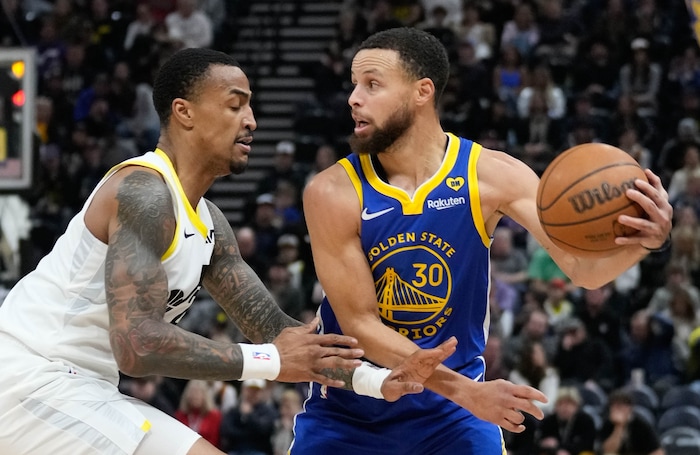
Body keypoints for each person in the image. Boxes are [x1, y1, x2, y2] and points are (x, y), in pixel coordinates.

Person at [0, 47, 458, 455]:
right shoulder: (142, 192)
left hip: (83, 386)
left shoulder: (210, 224)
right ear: (184, 112)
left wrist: (375, 381)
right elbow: (136, 346)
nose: (252, 120)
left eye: (251, 105)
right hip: (29, 375)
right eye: (235, 105)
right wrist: (274, 363)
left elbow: (281, 335)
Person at [297, 27, 672, 454]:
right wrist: (466, 391)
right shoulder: (332, 191)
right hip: (350, 413)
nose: (353, 98)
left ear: (423, 92)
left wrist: (643, 241)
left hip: (450, 417)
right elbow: (361, 325)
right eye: (353, 85)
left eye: (372, 84)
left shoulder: (491, 176)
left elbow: (582, 270)